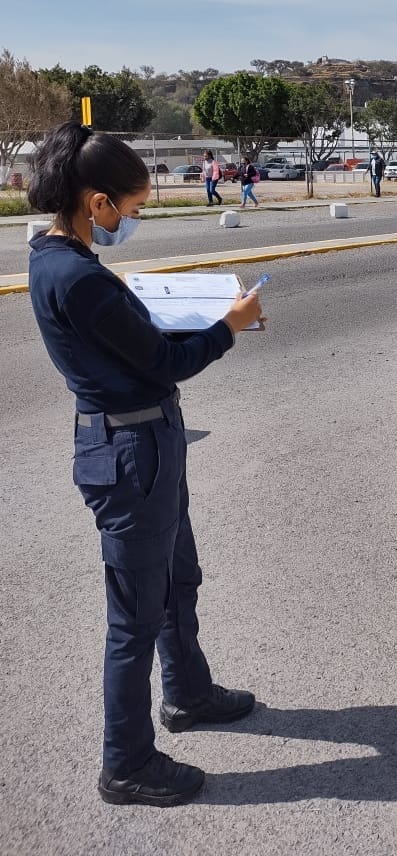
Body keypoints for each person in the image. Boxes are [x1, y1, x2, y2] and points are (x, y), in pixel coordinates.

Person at [27, 121, 265, 807]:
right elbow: (162, 361)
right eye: (130, 210)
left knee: (175, 579)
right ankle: (125, 763)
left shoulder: (57, 255)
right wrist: (229, 328)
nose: (133, 220)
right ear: (95, 202)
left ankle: (186, 692)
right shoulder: (75, 276)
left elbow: (134, 343)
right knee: (133, 618)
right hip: (130, 453)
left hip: (145, 444)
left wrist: (219, 315)